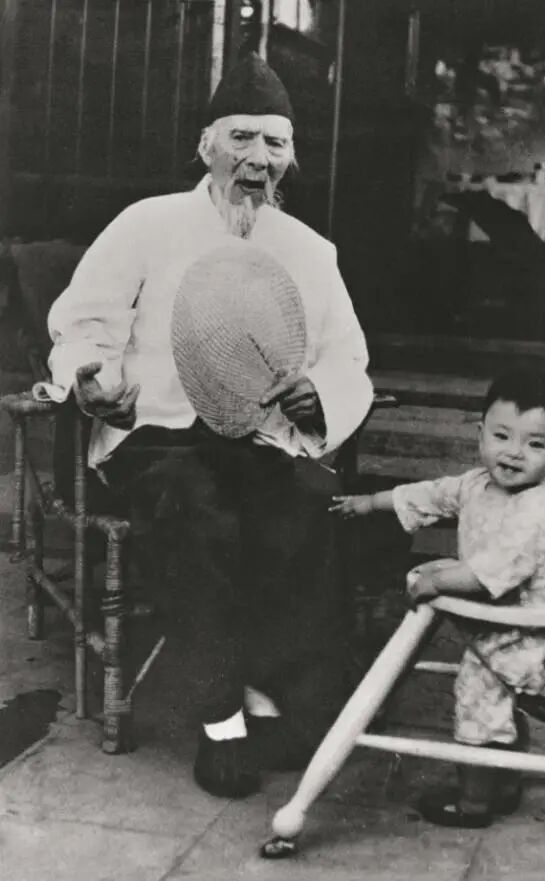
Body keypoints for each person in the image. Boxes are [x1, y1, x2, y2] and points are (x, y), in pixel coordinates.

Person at [35, 52, 373, 798]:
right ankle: (220, 718)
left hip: (257, 441)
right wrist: (92, 380)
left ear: (290, 158)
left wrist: (320, 394)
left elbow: (349, 360)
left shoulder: (309, 251)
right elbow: (83, 325)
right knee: (195, 510)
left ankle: (273, 698)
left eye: (275, 143)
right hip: (156, 437)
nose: (258, 158)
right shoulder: (146, 224)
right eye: (241, 137)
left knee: (304, 508)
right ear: (207, 146)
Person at [331, 369, 545, 827]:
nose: (513, 452)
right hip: (490, 621)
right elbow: (432, 495)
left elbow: (489, 573)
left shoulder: (539, 513)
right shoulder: (475, 484)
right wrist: (370, 502)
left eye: (535, 444)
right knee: (497, 705)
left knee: (479, 704)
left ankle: (474, 802)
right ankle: (503, 781)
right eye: (502, 436)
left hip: (518, 631)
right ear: (480, 433)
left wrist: (439, 581)